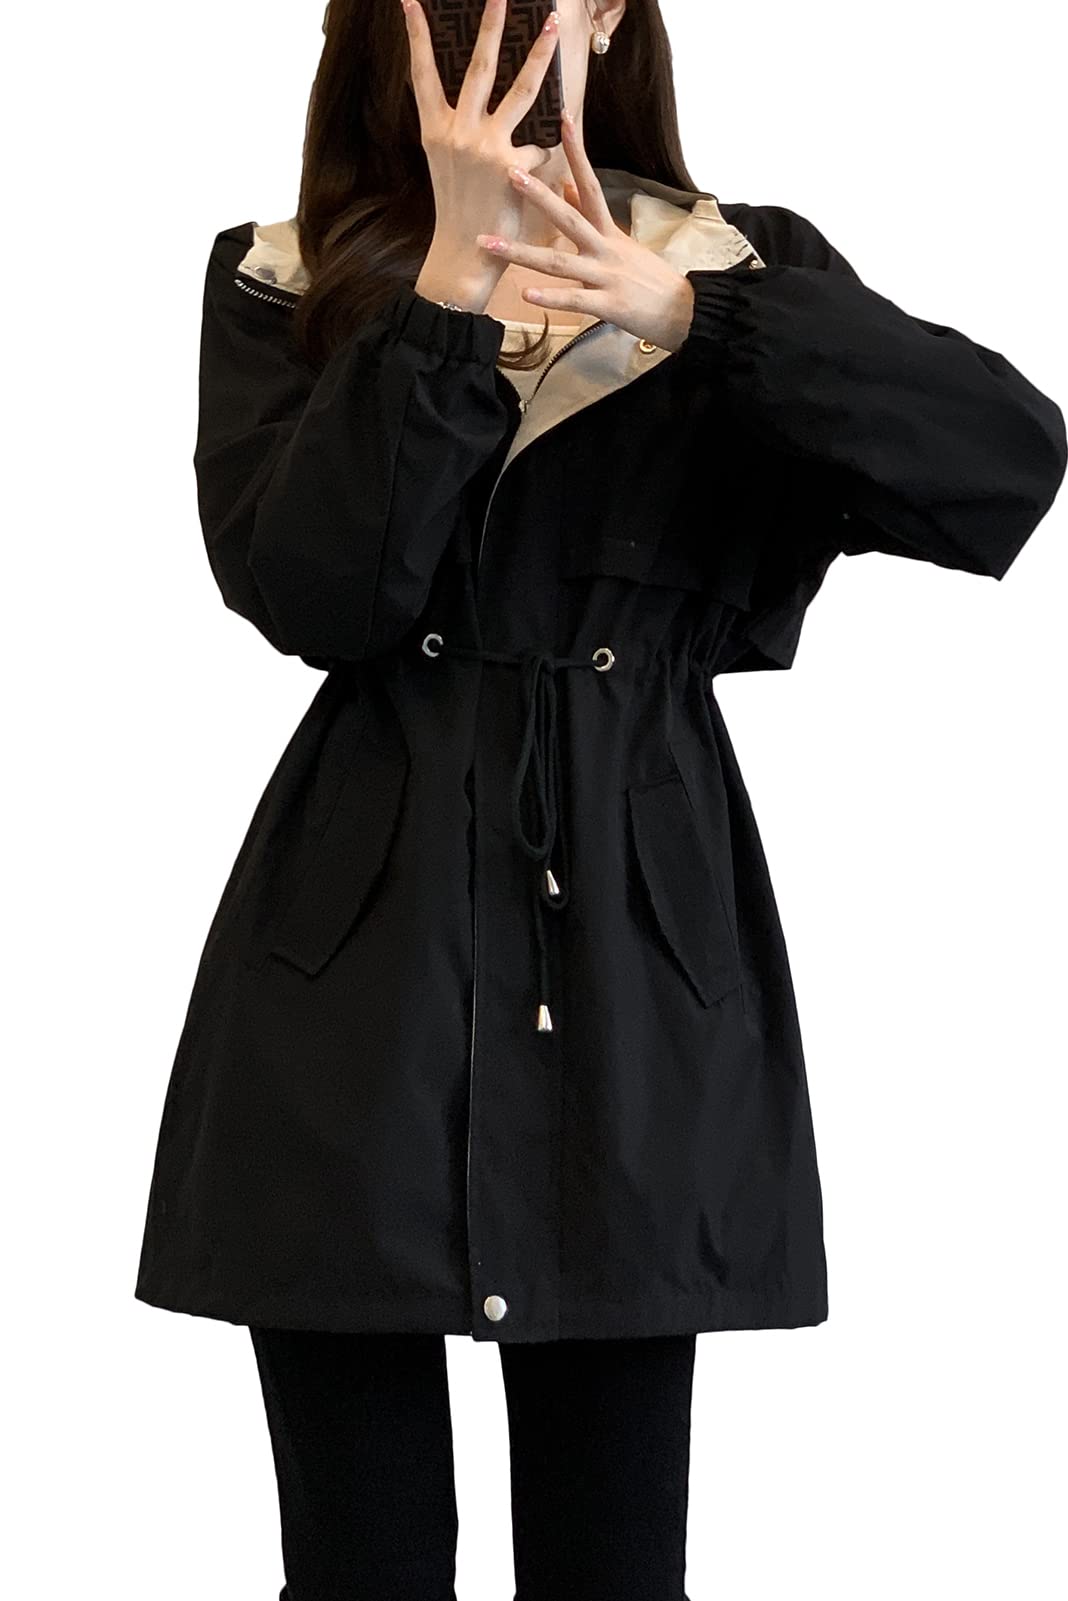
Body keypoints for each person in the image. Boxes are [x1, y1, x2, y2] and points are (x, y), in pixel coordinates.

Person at [134, 1, 1067, 1596]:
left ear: (614, 18)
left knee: (616, 1567)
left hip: (638, 944)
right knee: (359, 1567)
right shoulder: (288, 274)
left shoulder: (737, 263)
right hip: (357, 957)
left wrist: (702, 319)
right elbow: (313, 591)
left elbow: (1003, 463)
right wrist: (446, 287)